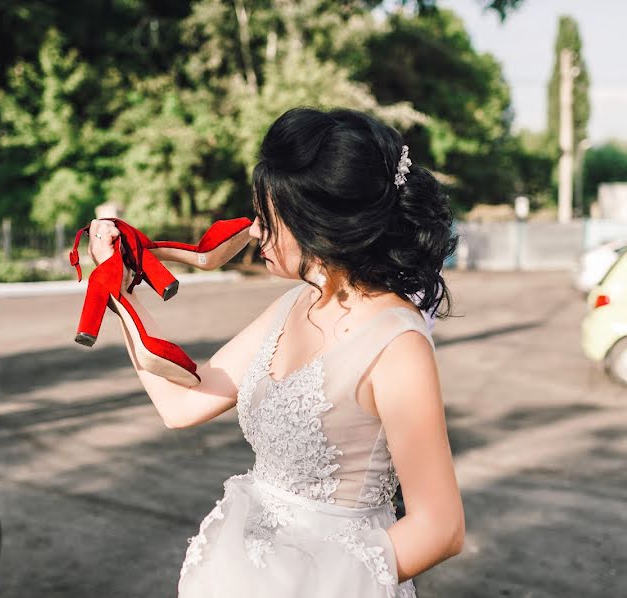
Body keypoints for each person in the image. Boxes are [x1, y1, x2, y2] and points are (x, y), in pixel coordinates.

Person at [85, 107, 464, 597]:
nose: (255, 231)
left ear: (320, 225)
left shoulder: (397, 345)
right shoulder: (293, 304)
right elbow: (183, 402)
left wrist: (315, 585)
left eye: (270, 217)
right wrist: (119, 291)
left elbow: (441, 528)